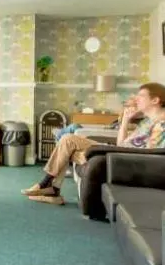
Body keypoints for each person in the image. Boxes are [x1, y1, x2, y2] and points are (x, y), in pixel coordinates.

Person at [22, 82, 165, 205]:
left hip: (122, 158)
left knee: (67, 144)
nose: (136, 99)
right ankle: (52, 188)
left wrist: (118, 151)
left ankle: (49, 186)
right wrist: (125, 120)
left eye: (141, 96)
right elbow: (121, 143)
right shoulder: (147, 121)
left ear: (155, 100)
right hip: (119, 151)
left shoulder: (161, 124)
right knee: (67, 139)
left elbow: (151, 156)